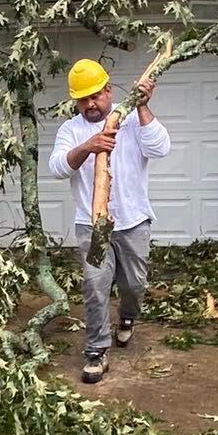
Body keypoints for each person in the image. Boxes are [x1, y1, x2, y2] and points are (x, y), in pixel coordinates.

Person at [49, 58, 170, 384]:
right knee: (95, 287)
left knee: (134, 285)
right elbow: (58, 167)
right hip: (93, 227)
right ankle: (96, 351)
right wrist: (88, 146)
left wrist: (143, 108)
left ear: (108, 89)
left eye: (95, 96)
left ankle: (128, 317)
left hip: (133, 223)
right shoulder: (70, 130)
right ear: (75, 101)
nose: (90, 104)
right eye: (82, 99)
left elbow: (160, 148)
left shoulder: (131, 116)